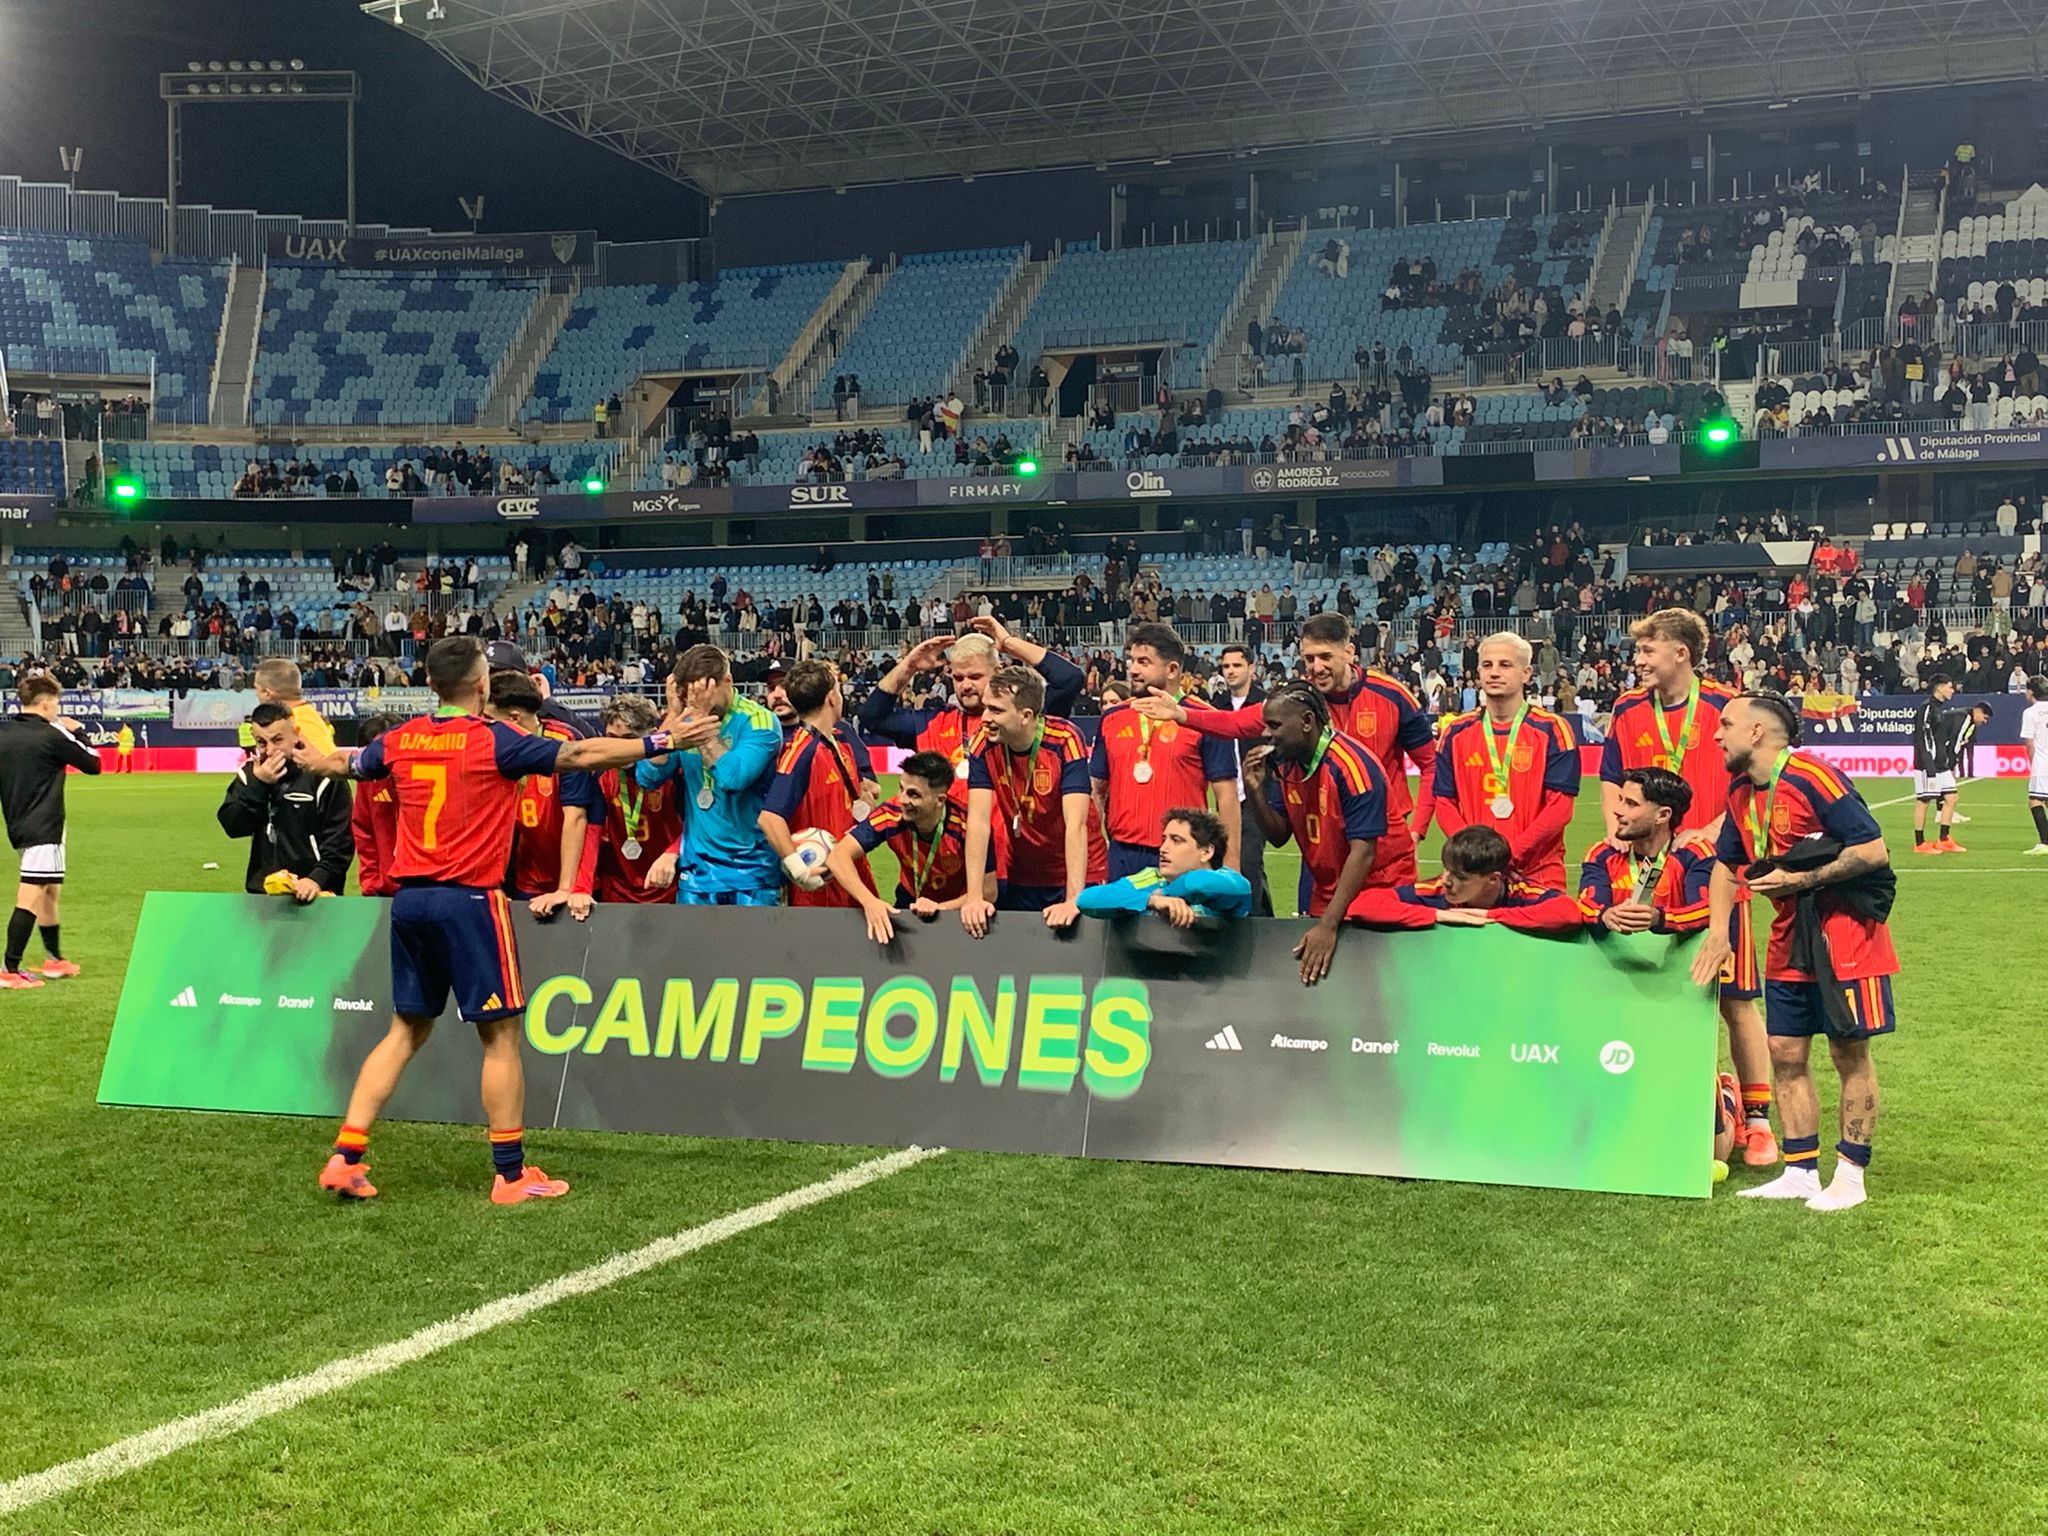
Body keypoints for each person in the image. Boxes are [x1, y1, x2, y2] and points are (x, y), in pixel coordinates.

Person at [291, 635, 679, 1203]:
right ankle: (511, 1173)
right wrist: (662, 740)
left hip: (410, 901)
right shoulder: (495, 740)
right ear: (482, 686)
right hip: (470, 901)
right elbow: (577, 756)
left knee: (404, 1031)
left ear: (431, 684)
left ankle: (346, 1156)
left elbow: (350, 763)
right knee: (500, 1039)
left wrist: (311, 758)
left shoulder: (401, 738)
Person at [1691, 694, 1898, 1211]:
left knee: (1848, 1051)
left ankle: (1850, 1176)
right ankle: (1801, 1170)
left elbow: (1873, 850)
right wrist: (1719, 931)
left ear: (1758, 732)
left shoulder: (1814, 776)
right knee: (1785, 1052)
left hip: (1844, 931)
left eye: (1726, 725)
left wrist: (1800, 877)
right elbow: (1724, 865)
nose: (1716, 735)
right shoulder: (1741, 791)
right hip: (1788, 932)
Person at [1599, 607, 1775, 1166]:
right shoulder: (1628, 708)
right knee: (1649, 992)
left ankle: (1757, 1121)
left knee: (1736, 1000)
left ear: (1680, 653)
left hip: (1716, 873)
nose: (1638, 661)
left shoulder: (1729, 706)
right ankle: (1670, 1102)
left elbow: (1753, 781)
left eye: (1648, 651)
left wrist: (1713, 833)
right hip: (1643, 871)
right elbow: (1609, 781)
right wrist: (1617, 840)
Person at [1133, 612, 1435, 861]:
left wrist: (1417, 830)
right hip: (1321, 841)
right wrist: (1183, 715)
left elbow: (1430, 765)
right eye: (1309, 658)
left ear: (1349, 652)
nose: (1317, 667)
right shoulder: (1296, 698)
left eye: (1326, 656)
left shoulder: (1392, 696)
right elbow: (1237, 723)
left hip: (1381, 837)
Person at [1240, 682, 1397, 986]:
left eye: (1274, 725)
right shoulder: (1288, 765)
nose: (1266, 735)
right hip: (1328, 892)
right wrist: (1255, 792)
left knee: (1375, 985)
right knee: (1328, 985)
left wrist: (1328, 925)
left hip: (1379, 890)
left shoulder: (1352, 766)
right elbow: (1278, 835)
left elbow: (1363, 851)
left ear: (1307, 721)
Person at [1430, 632, 1580, 888]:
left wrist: (1507, 856)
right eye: (1487, 665)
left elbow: (1559, 808)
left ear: (1526, 673)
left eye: (1505, 665)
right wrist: (1476, 858)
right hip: (1473, 874)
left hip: (1537, 874)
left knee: (1559, 921)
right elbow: (1444, 803)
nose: (1494, 672)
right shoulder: (1455, 732)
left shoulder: (1554, 729)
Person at [960, 665, 1103, 933]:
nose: (984, 718)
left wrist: (1075, 899)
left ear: (1026, 715)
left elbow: (1076, 824)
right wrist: (974, 897)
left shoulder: (1064, 740)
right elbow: (978, 823)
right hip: (1025, 874)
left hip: (1080, 873)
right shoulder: (983, 744)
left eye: (997, 710)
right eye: (986, 707)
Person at [1091, 623, 1240, 881]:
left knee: (1178, 920)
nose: (1133, 670)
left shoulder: (1206, 719)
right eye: (1132, 661)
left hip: (1183, 855)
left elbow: (1226, 798)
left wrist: (1230, 867)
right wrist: (1094, 851)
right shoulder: (1112, 718)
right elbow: (1096, 789)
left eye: (1144, 662)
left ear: (1172, 669)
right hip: (1122, 853)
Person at [639, 645, 783, 907]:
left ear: (727, 682)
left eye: (703, 694)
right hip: (697, 871)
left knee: (754, 949)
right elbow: (647, 777)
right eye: (691, 695)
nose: (696, 703)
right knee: (698, 949)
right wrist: (671, 718)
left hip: (752, 871)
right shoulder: (683, 719)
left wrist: (701, 721)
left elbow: (733, 778)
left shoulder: (759, 721)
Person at [0, 674, 100, 988]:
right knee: (30, 894)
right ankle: (9, 969)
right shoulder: (53, 734)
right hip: (44, 827)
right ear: (46, 703)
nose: (58, 707)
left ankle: (54, 960)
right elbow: (94, 764)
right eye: (56, 701)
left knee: (48, 891)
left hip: (19, 824)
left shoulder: (5, 734)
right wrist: (80, 732)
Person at [830, 750, 989, 945]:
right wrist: (869, 902)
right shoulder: (891, 814)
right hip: (910, 900)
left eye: (913, 794)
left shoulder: (967, 827)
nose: (903, 800)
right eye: (901, 789)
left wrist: (940, 908)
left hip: (959, 911)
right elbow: (837, 857)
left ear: (940, 800)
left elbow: (989, 891)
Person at [758, 660, 878, 909]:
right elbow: (769, 818)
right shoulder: (801, 749)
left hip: (852, 870)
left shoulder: (839, 740)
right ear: (832, 697)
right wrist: (799, 870)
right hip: (821, 879)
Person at [485, 671, 599, 920]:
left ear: (514, 718)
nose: (486, 725)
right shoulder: (489, 747)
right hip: (520, 878)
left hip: (564, 878)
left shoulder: (564, 743)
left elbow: (576, 817)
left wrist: (565, 888)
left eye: (490, 719)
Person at [216, 702, 354, 900]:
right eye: (262, 743)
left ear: (296, 733)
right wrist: (259, 785)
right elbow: (232, 826)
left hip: (316, 895)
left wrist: (316, 879)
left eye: (277, 740)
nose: (270, 750)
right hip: (263, 895)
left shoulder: (324, 777)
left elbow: (341, 842)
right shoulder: (251, 774)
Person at [1347, 825, 1585, 932]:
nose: (1446, 881)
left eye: (1460, 876)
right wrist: (1438, 915)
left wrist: (1492, 916)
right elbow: (1362, 905)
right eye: (1446, 869)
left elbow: (1568, 912)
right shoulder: (1437, 891)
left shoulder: (1519, 892)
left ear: (1493, 880)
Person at [1576, 766, 1715, 937]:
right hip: (1615, 961)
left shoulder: (1694, 854)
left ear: (1663, 815)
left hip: (1676, 962)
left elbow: (1706, 910)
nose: (1617, 810)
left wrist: (1660, 918)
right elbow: (1586, 905)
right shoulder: (1603, 854)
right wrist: (1605, 915)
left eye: (1631, 804)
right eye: (1620, 800)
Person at [1075, 807, 1252, 924]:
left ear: (1206, 852)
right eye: (1164, 840)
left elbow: (1198, 884)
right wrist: (1153, 901)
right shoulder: (1153, 877)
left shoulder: (1228, 880)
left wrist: (1167, 894)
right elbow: (1087, 900)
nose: (1163, 849)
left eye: (1176, 841)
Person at [592, 695, 685, 903]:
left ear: (652, 736)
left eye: (628, 739)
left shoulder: (674, 772)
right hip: (617, 891)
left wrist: (673, 852)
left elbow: (697, 824)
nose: (618, 748)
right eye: (611, 738)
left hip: (669, 887)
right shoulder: (600, 775)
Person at [1211, 643, 1272, 913]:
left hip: (1256, 797)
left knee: (1247, 860)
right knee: (1237, 862)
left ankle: (1251, 923)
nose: (1231, 671)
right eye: (1226, 666)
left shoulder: (1267, 704)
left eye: (1236, 665)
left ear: (1251, 667)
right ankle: (1265, 918)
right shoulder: (1215, 706)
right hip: (1225, 797)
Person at [1910, 676, 1968, 854]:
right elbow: (1923, 738)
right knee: (1924, 800)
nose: (1952, 690)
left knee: (1951, 798)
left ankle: (1944, 839)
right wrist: (1929, 765)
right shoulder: (1927, 708)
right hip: (1929, 764)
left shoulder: (1937, 709)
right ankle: (1919, 843)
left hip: (1940, 763)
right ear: (1940, 688)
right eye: (1950, 687)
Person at [350, 714, 401, 898]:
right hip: (383, 890)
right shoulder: (368, 782)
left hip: (421, 888)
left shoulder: (418, 779)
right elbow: (364, 832)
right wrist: (371, 883)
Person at [251, 657, 336, 757]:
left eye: (257, 688)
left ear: (267, 693)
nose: (256, 694)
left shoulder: (294, 721)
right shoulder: (308, 714)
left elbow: (325, 764)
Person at [2021, 675, 2048, 855]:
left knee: (2034, 801)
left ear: (2031, 692)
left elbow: (2029, 743)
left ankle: (2045, 842)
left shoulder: (2030, 712)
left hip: (2042, 763)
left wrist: (2033, 763)